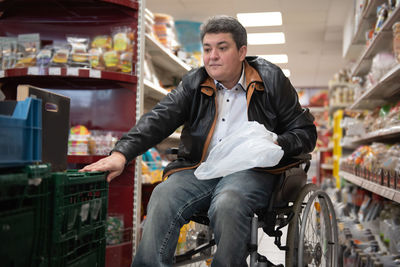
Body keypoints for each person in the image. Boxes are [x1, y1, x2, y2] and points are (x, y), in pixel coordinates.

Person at [80, 15, 317, 267]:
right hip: (203, 168)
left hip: (253, 170)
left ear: (241, 52)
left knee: (228, 201)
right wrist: (121, 153)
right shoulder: (194, 82)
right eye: (207, 49)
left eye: (222, 48)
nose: (212, 56)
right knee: (163, 194)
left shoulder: (271, 79)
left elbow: (304, 131)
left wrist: (278, 144)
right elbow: (160, 118)